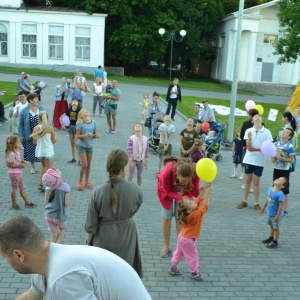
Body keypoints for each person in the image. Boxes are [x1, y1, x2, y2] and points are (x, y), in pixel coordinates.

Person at [0, 216, 152, 299]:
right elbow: (31, 297)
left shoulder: (64, 278)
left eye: (5, 257)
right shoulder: (49, 262)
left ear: (19, 255)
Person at [85, 149, 144, 277]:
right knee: (125, 275)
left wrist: (88, 243)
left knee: (104, 278)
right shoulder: (135, 189)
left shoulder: (98, 192)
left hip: (103, 239)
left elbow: (91, 225)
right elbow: (136, 207)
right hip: (127, 237)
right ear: (124, 168)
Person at [157, 158, 200, 258]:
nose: (184, 183)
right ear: (177, 175)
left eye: (187, 181)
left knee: (180, 218)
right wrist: (181, 198)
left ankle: (180, 246)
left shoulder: (195, 173)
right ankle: (166, 245)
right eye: (182, 181)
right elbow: (167, 191)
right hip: (166, 192)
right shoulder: (167, 173)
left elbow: (195, 191)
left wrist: (203, 191)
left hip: (184, 194)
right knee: (167, 218)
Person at [169, 185, 213, 280]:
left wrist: (202, 193)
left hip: (182, 236)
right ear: (189, 209)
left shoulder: (187, 213)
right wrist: (208, 196)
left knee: (179, 252)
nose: (193, 201)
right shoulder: (195, 214)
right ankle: (194, 272)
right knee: (192, 255)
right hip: (188, 239)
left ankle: (173, 267)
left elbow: (197, 202)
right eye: (190, 202)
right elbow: (204, 208)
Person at [236, 114, 273, 211]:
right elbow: (249, 147)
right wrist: (255, 144)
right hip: (249, 159)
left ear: (261, 120)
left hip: (260, 161)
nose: (257, 118)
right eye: (255, 117)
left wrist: (257, 149)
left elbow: (267, 148)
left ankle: (256, 203)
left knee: (256, 182)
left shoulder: (267, 132)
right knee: (247, 180)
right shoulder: (249, 131)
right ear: (252, 120)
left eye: (259, 117)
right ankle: (245, 200)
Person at [5, 136, 37, 210]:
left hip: (19, 172)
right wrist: (20, 165)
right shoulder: (11, 153)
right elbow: (9, 164)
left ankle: (27, 202)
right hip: (14, 174)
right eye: (18, 142)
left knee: (22, 187)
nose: (20, 144)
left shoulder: (17, 151)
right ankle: (14, 204)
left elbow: (15, 161)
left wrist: (21, 161)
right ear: (12, 144)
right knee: (14, 189)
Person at [31, 111, 57, 191]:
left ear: (39, 118)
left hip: (40, 150)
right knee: (48, 168)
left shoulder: (36, 128)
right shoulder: (50, 128)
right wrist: (56, 137)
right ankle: (47, 184)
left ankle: (40, 183)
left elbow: (34, 142)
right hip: (48, 151)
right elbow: (53, 141)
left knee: (43, 166)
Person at [42, 169, 70, 244]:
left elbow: (46, 201)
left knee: (53, 234)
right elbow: (66, 203)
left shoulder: (47, 187)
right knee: (62, 229)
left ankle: (51, 248)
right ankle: (57, 246)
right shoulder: (65, 186)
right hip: (59, 216)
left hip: (48, 215)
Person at [272, 127, 295, 217]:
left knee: (285, 190)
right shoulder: (275, 144)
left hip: (285, 170)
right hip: (276, 168)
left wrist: (281, 158)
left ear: (289, 137)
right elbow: (272, 160)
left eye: (286, 133)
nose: (283, 133)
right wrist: (274, 158)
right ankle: (275, 207)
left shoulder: (290, 146)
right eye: (283, 131)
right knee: (275, 188)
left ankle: (284, 209)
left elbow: (291, 160)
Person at [260, 177, 289, 249]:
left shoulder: (280, 194)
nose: (277, 179)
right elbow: (268, 198)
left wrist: (277, 216)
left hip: (276, 215)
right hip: (270, 213)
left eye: (280, 180)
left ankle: (275, 241)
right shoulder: (270, 189)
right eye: (278, 178)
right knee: (271, 226)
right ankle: (271, 237)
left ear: (282, 186)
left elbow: (281, 206)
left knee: (276, 228)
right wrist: (263, 207)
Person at [18, 93, 43, 174]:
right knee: (31, 151)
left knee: (42, 150)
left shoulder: (41, 108)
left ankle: (44, 166)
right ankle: (33, 167)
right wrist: (21, 135)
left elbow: (45, 120)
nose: (37, 100)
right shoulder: (24, 111)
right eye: (35, 99)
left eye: (37, 99)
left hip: (40, 134)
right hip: (29, 134)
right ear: (30, 100)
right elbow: (20, 124)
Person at [76, 108, 99, 191]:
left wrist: (96, 136)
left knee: (89, 165)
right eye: (84, 111)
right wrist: (85, 135)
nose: (86, 111)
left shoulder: (93, 122)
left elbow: (94, 134)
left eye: (86, 110)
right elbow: (77, 136)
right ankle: (80, 182)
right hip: (82, 146)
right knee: (85, 165)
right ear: (81, 115)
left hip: (90, 146)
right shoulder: (80, 124)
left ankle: (86, 181)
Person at [240, 108, 259, 191]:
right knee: (255, 167)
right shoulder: (262, 124)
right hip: (257, 148)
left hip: (247, 147)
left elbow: (242, 135)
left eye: (249, 114)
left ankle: (246, 184)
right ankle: (253, 185)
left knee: (246, 166)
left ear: (251, 116)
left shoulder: (246, 124)